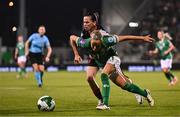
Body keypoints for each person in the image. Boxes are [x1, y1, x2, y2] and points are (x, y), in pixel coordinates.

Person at [70, 12, 143, 109]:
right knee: (89, 78)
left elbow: (114, 41)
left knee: (120, 80)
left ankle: (135, 90)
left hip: (106, 56)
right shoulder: (85, 31)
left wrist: (142, 38)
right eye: (84, 22)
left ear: (94, 23)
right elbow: (72, 38)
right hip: (93, 57)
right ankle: (101, 100)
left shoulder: (102, 34)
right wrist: (76, 54)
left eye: (87, 22)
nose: (85, 24)